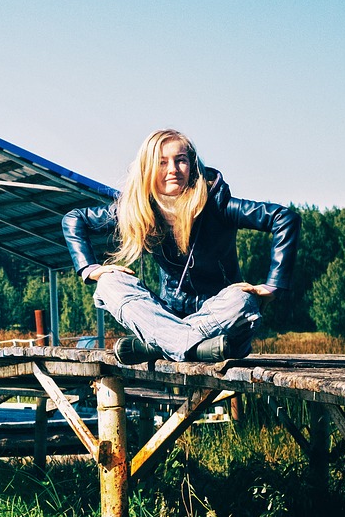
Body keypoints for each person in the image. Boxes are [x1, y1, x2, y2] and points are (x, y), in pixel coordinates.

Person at [63, 129, 300, 364]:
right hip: (168, 316)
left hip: (221, 322)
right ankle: (191, 347)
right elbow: (74, 219)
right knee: (109, 283)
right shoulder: (136, 210)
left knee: (242, 300)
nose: (173, 170)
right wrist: (90, 268)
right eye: (162, 162)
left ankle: (160, 346)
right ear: (147, 170)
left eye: (181, 160)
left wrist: (273, 286)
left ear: (193, 166)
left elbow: (284, 218)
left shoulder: (218, 205)